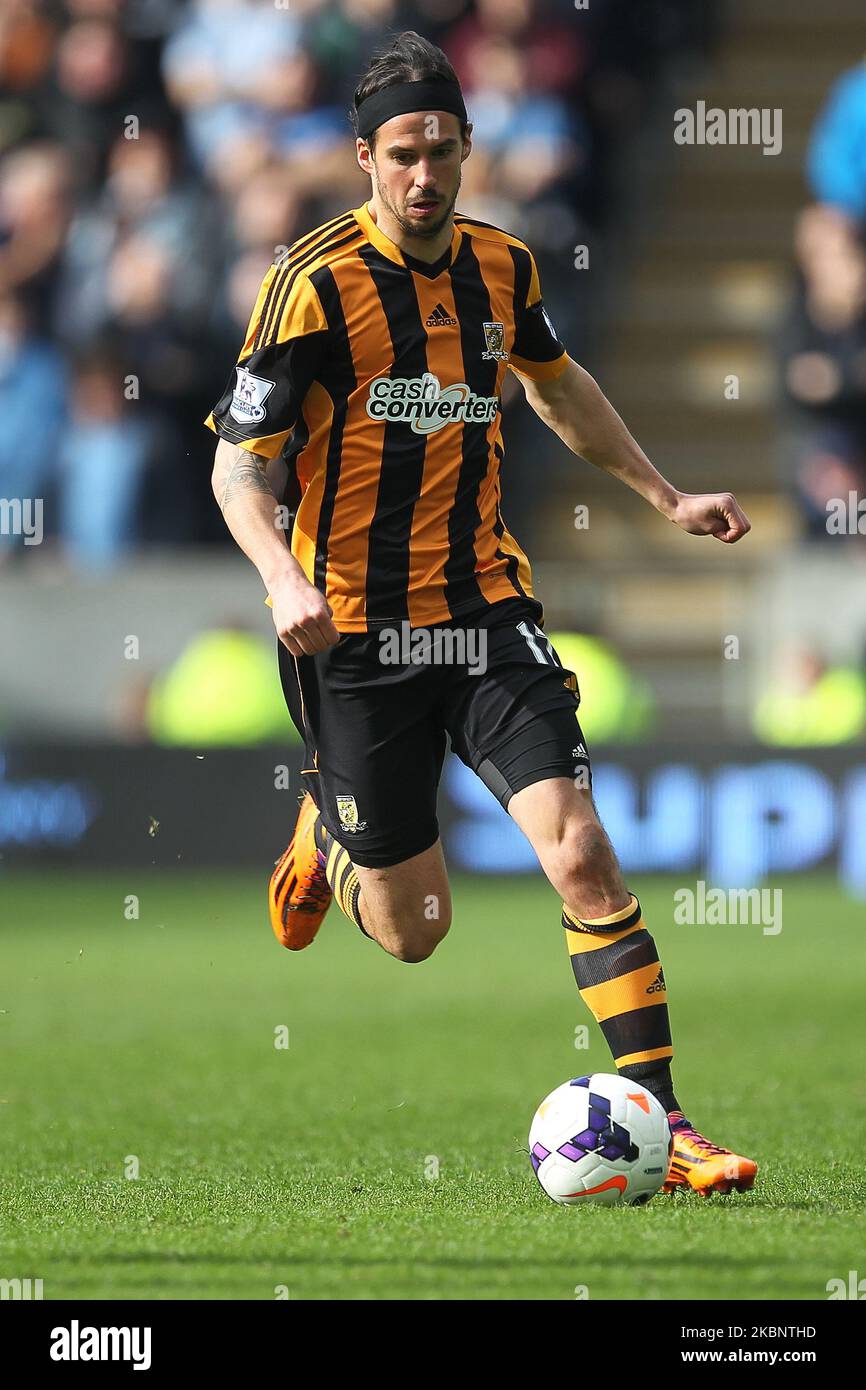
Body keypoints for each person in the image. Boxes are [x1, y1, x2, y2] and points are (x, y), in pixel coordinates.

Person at [206, 31, 755, 1196]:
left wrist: (664, 494)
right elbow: (236, 470)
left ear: (466, 149)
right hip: (351, 629)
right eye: (401, 153)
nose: (422, 176)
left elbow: (555, 387)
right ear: (363, 156)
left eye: (441, 151)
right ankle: (329, 840)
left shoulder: (504, 268)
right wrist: (281, 579)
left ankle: (666, 1115)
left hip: (483, 609)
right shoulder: (309, 284)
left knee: (583, 853)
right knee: (414, 930)